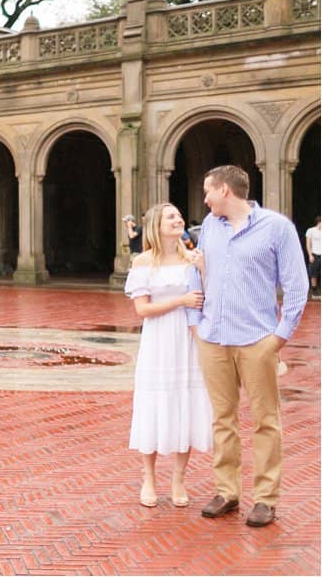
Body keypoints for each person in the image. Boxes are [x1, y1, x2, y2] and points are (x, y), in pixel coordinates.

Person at [186, 165, 309, 527]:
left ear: (225, 190)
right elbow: (198, 269)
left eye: (208, 190)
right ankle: (227, 491)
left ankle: (266, 499)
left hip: (257, 340)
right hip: (213, 338)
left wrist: (279, 338)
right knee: (223, 419)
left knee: (265, 421)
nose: (205, 198)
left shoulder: (277, 228)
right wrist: (196, 324)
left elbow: (297, 286)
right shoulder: (210, 226)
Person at [124, 203, 212, 508]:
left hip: (187, 340)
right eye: (170, 217)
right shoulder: (144, 262)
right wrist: (180, 300)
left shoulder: (193, 258)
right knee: (153, 403)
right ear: (156, 226)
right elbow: (142, 310)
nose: (178, 220)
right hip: (159, 339)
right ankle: (149, 477)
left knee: (184, 403)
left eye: (178, 216)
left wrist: (204, 271)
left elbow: (209, 297)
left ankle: (178, 478)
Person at [306, 215, 321, 298]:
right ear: (319, 222)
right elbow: (308, 244)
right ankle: (314, 293)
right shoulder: (311, 230)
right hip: (314, 255)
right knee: (314, 274)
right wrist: (310, 255)